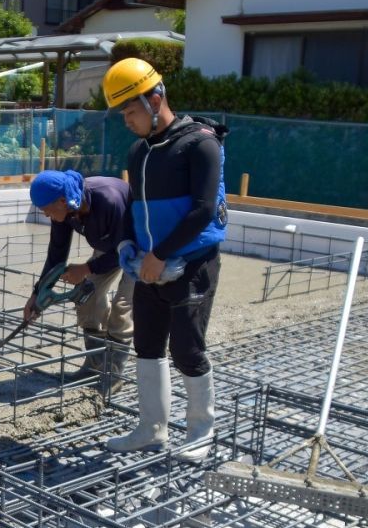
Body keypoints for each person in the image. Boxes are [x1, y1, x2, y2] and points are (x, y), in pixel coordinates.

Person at [101, 58, 228, 462]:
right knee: (148, 346)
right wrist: (128, 248)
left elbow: (205, 210)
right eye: (122, 112)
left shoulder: (200, 144)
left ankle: (200, 430)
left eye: (131, 109)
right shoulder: (139, 152)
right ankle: (151, 429)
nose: (127, 119)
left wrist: (160, 254)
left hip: (191, 263)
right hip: (149, 265)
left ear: (156, 98)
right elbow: (132, 207)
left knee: (187, 349)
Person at [25, 169, 133, 386]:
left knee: (122, 307)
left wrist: (86, 268)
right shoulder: (67, 210)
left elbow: (124, 251)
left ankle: (112, 375)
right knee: (87, 299)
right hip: (108, 247)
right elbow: (57, 253)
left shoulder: (108, 200)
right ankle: (94, 367)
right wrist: (37, 294)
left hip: (139, 248)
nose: (46, 215)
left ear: (62, 200)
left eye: (46, 210)